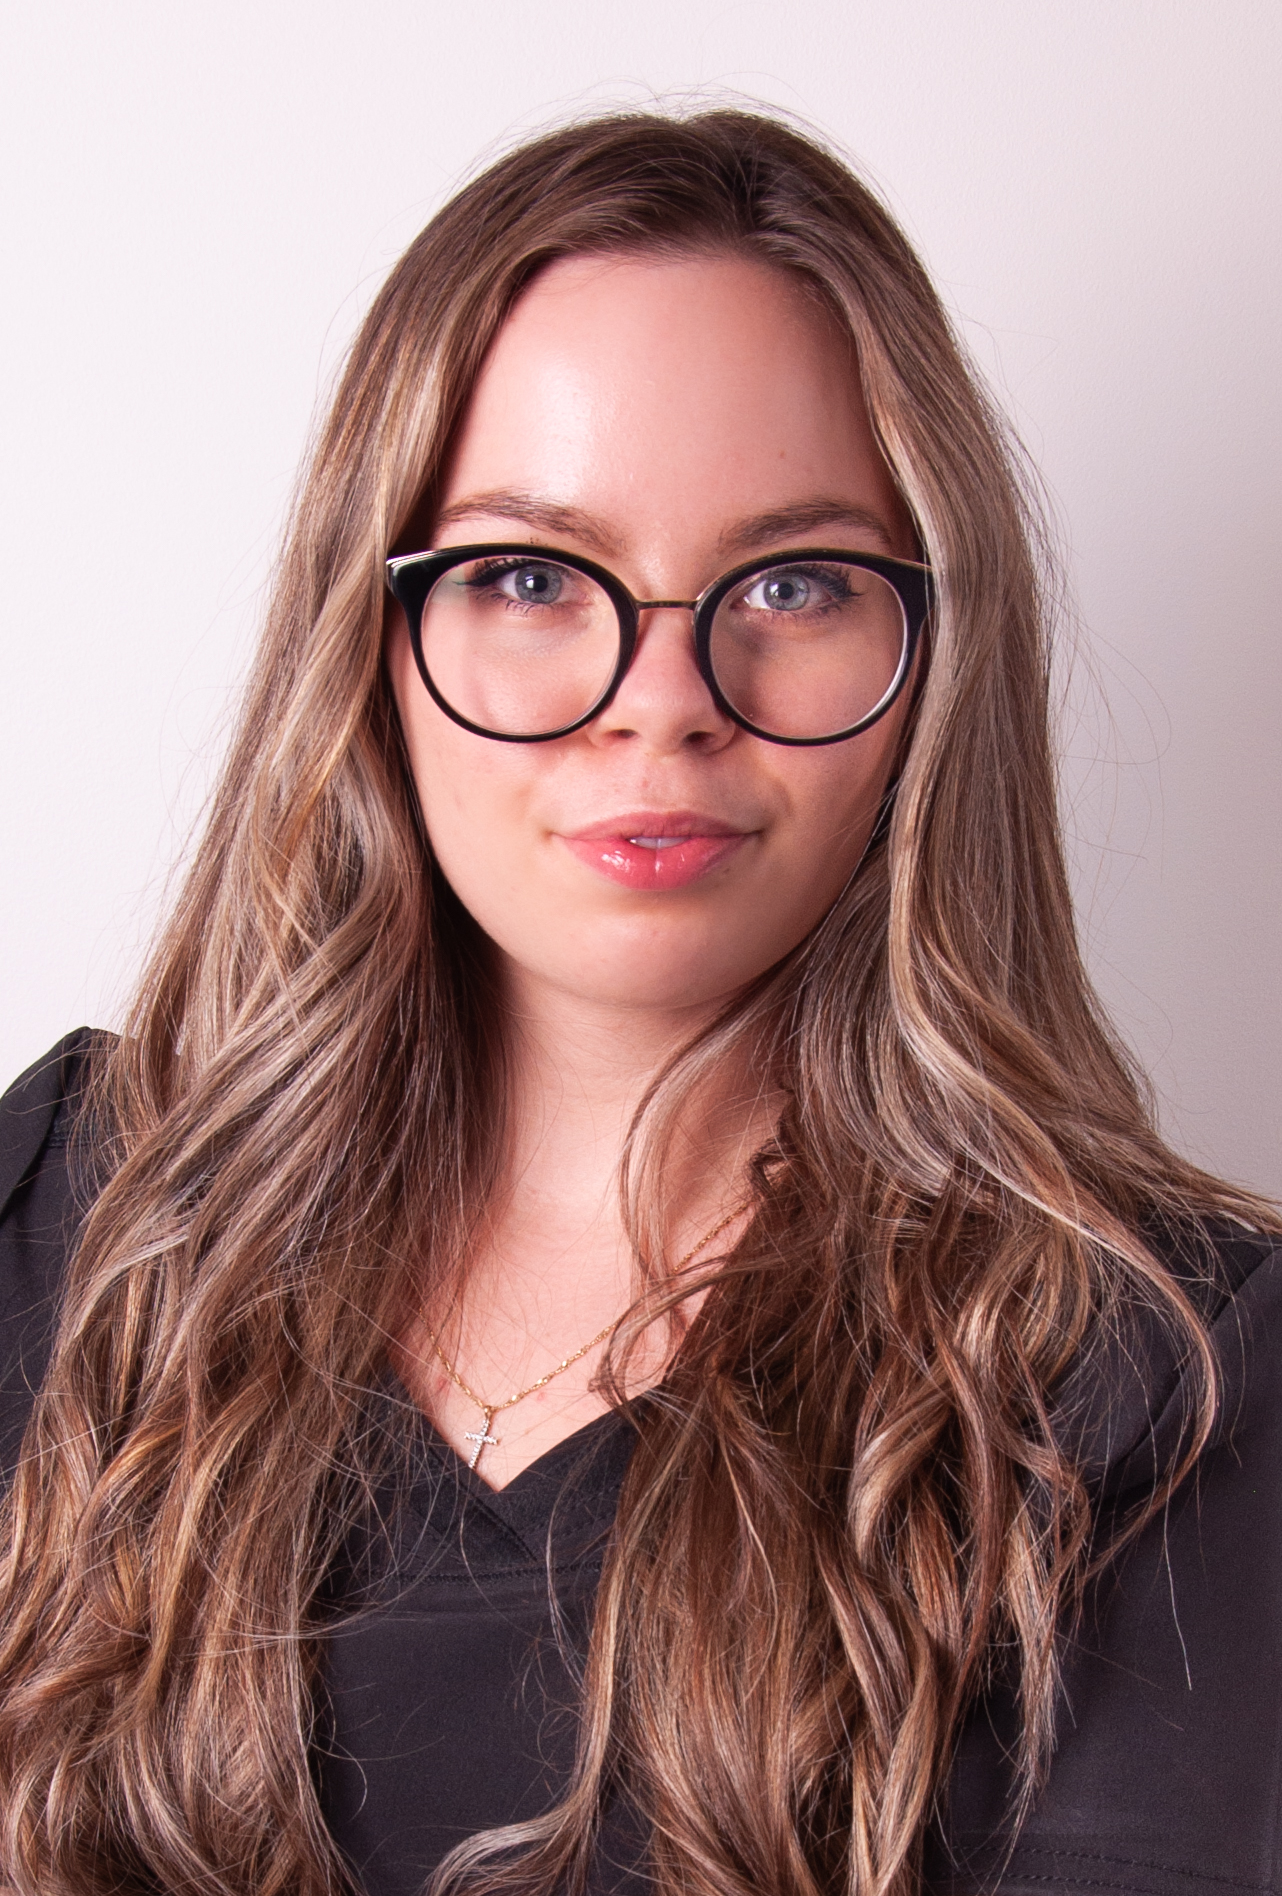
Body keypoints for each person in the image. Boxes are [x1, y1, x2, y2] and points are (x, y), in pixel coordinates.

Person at [0, 109, 1277, 1896]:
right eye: (528, 576)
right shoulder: (72, 1215)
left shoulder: (1174, 1374)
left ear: (932, 658)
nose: (663, 697)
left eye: (795, 583)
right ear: (370, 638)